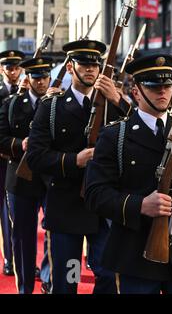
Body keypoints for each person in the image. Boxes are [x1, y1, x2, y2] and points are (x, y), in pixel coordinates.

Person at [85, 54, 172, 294]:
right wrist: (140, 205)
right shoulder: (115, 136)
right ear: (136, 91)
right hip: (134, 251)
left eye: (167, 86)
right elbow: (95, 194)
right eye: (154, 87)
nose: (163, 92)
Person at [26, 40, 132, 294]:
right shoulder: (51, 107)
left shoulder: (114, 107)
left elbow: (139, 136)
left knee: (108, 275)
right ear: (71, 68)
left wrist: (118, 99)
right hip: (67, 211)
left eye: (95, 64)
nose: (90, 69)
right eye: (84, 64)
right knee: (68, 279)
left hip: (103, 210)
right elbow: (35, 156)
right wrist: (75, 160)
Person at [0, 56, 52, 293]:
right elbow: (1, 138)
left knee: (55, 235)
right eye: (36, 77)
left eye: (45, 77)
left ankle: (49, 278)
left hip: (51, 178)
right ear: (27, 78)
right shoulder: (11, 104)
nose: (41, 82)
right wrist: (20, 144)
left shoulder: (57, 104)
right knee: (22, 238)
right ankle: (25, 287)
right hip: (20, 179)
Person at [0, 50, 25, 276]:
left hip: (17, 160)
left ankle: (15, 258)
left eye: (16, 67)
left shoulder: (26, 92)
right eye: (9, 68)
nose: (13, 72)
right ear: (2, 70)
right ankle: (9, 257)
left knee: (13, 214)